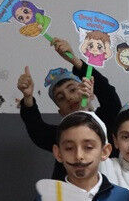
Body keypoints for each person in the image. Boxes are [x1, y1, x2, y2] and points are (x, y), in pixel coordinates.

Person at [16, 38, 122, 179]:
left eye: (72, 90)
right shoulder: (61, 134)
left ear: (90, 93)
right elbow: (37, 130)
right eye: (61, 98)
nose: (69, 98)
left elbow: (108, 94)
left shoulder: (107, 119)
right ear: (61, 112)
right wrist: (28, 97)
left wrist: (74, 60)